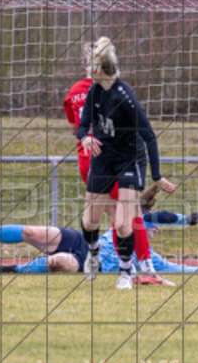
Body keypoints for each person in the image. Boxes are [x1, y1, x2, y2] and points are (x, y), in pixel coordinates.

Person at [76, 37, 177, 289]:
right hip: (102, 160)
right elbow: (81, 127)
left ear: (100, 68)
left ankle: (124, 273)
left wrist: (156, 176)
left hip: (129, 161)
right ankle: (93, 250)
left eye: (90, 64)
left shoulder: (126, 97)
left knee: (123, 223)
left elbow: (149, 137)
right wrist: (86, 138)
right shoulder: (94, 91)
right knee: (89, 222)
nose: (86, 68)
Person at [64, 43, 157, 278]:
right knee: (128, 215)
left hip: (88, 161)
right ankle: (142, 266)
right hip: (112, 157)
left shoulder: (75, 91)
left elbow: (75, 127)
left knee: (109, 217)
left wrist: (86, 136)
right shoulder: (112, 90)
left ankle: (115, 262)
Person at [0, 209, 198, 279]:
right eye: (148, 223)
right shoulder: (127, 224)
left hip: (87, 264)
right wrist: (186, 220)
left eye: (154, 228)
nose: (151, 226)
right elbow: (155, 216)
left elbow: (177, 269)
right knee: (33, 231)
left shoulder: (148, 258)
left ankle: (15, 269)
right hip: (82, 240)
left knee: (58, 263)